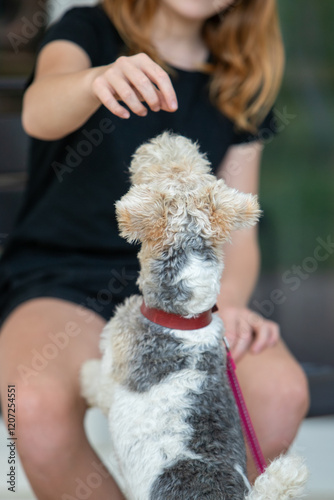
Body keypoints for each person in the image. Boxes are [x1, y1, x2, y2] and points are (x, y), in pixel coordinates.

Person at [0, 0, 309, 498]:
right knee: (28, 402)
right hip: (61, 279)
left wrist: (228, 303)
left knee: (281, 392)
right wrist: (91, 82)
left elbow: (238, 231)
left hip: (182, 292)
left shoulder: (242, 81)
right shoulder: (86, 27)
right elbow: (39, 113)